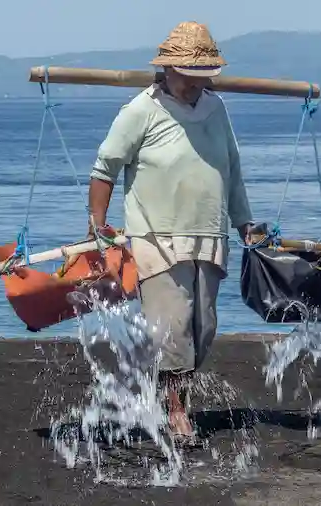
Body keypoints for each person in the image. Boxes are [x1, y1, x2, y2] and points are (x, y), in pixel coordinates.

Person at [87, 21, 253, 443]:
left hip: (210, 237)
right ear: (170, 70)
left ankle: (171, 399)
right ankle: (175, 413)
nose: (198, 83)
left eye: (204, 76)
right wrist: (98, 225)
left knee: (203, 329)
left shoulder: (217, 110)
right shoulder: (141, 110)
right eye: (191, 75)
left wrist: (244, 223)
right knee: (173, 327)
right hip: (155, 239)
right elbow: (105, 168)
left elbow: (231, 172)